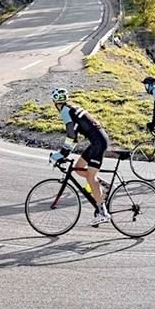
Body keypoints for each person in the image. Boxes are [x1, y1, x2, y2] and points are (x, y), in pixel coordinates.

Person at [49, 88, 111, 226]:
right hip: (97, 141)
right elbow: (74, 138)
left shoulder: (65, 111)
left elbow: (71, 136)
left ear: (55, 103)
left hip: (98, 143)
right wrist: (65, 153)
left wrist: (61, 155)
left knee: (90, 177)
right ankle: (104, 186)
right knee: (78, 168)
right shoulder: (70, 108)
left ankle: (103, 213)